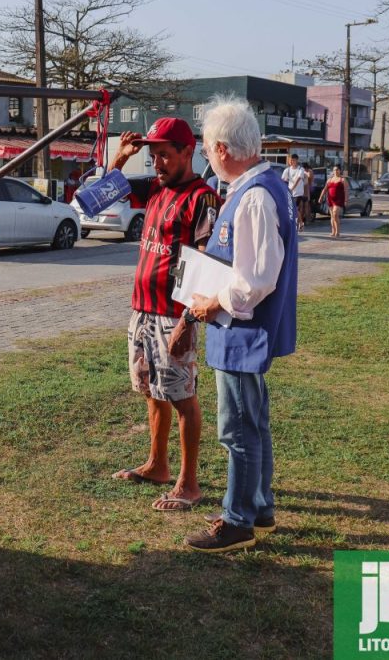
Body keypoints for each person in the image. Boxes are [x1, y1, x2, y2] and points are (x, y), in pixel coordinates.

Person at [169, 96, 298, 552]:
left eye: (206, 150)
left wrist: (211, 303)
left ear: (223, 148)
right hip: (240, 330)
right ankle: (258, 508)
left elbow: (257, 279)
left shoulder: (256, 196)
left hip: (241, 329)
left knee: (237, 428)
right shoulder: (257, 188)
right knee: (252, 423)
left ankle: (238, 519)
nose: (207, 158)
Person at [109, 118, 221, 512]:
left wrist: (189, 322)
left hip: (174, 315)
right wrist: (121, 158)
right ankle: (157, 464)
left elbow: (209, 263)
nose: (157, 163)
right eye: (153, 155)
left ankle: (188, 483)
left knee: (181, 396)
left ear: (188, 152)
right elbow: (100, 197)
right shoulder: (155, 189)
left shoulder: (202, 197)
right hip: (141, 309)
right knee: (150, 389)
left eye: (165, 155)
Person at [281, 153, 308, 232]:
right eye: (291, 160)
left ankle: (299, 223)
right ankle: (300, 223)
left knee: (294, 208)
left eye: (294, 160)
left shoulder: (301, 169)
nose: (292, 161)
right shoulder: (287, 170)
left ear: (297, 160)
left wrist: (292, 188)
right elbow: (283, 180)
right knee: (292, 208)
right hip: (290, 192)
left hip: (298, 192)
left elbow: (298, 179)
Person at [318, 166, 347, 238]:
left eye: (337, 170)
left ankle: (338, 232)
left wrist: (346, 200)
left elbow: (346, 191)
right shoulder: (329, 180)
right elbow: (324, 189)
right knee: (332, 216)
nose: (336, 171)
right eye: (334, 170)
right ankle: (333, 231)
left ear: (340, 171)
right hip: (330, 199)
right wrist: (321, 197)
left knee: (335, 214)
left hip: (339, 200)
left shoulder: (342, 180)